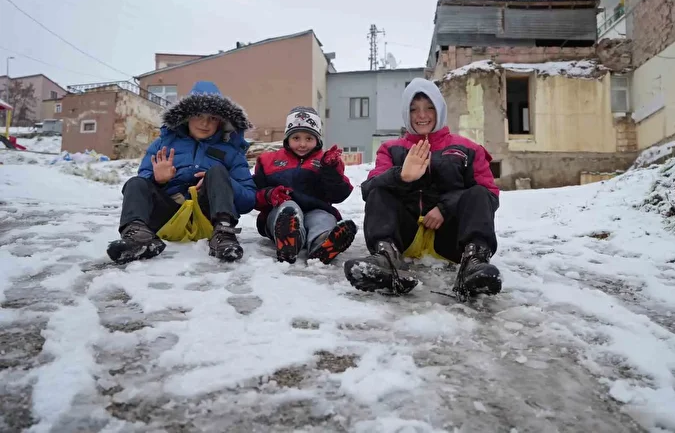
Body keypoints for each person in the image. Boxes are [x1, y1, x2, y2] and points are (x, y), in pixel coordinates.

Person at [343, 78, 501, 299]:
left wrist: (445, 208)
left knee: (479, 193)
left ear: (440, 109)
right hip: (405, 238)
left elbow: (489, 194)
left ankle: (474, 261)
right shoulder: (391, 149)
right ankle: (386, 257)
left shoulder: (467, 148)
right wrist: (401, 176)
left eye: (429, 108)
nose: (422, 115)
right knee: (379, 190)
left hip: (451, 239)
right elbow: (369, 189)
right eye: (413, 109)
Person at [107, 81, 256, 264]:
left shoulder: (232, 152)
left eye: (213, 118)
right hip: (166, 219)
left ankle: (224, 236)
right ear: (187, 116)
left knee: (217, 171)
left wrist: (221, 182)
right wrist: (158, 180)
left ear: (222, 121)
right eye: (198, 115)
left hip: (209, 221)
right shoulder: (162, 144)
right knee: (135, 183)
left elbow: (248, 200)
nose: (205, 123)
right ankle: (138, 238)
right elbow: (142, 188)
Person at [253, 106, 357, 264]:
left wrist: (330, 171)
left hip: (315, 210)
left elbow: (338, 195)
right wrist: (270, 195)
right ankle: (289, 239)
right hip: (279, 212)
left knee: (323, 218)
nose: (302, 144)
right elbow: (254, 193)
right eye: (296, 138)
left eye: (309, 138)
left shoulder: (325, 161)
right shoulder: (268, 161)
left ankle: (322, 244)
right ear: (287, 138)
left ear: (317, 139)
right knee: (289, 209)